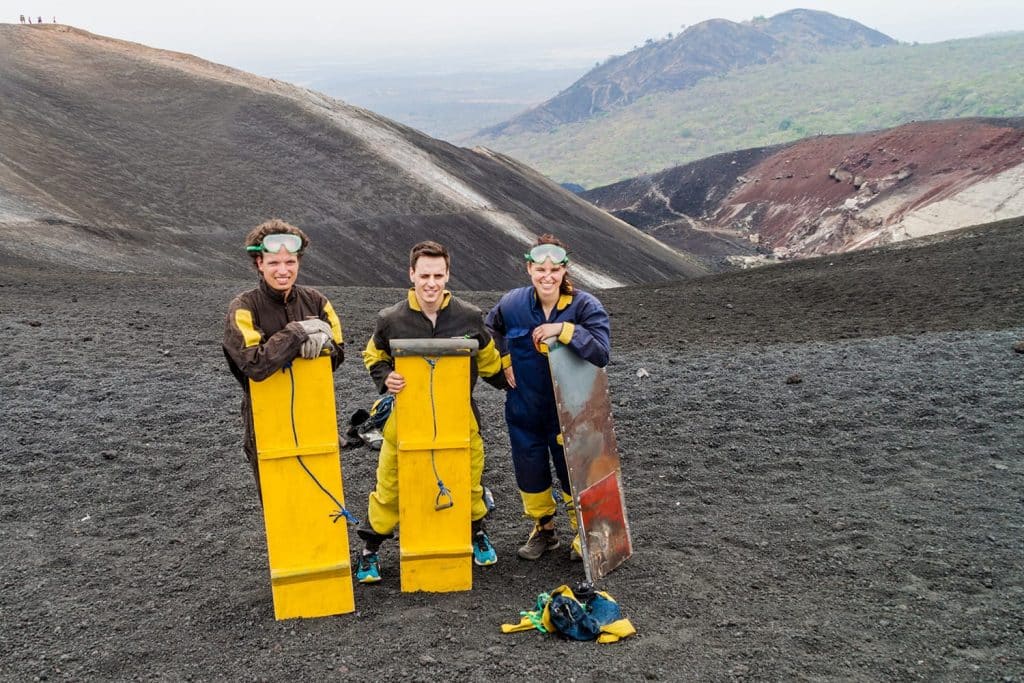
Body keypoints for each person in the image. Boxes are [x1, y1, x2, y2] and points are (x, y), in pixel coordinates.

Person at [355, 240, 505, 583]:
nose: (431, 283)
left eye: (439, 275)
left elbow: (488, 358)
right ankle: (370, 551)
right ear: (412, 275)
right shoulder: (390, 320)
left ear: (448, 275)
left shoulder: (469, 317)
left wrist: (509, 379)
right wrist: (385, 377)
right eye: (425, 275)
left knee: (468, 479)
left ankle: (475, 532)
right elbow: (372, 356)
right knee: (390, 485)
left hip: (460, 417)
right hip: (406, 419)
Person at [485, 235, 611, 561]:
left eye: (555, 269)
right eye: (540, 269)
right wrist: (503, 361)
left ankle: (584, 534)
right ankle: (544, 530)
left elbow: (600, 351)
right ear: (529, 268)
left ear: (565, 270)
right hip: (525, 411)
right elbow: (488, 331)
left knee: (575, 472)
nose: (547, 276)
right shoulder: (512, 304)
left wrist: (564, 330)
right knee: (530, 474)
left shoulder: (585, 307)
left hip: (571, 413)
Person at [222, 219, 344, 501]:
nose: (283, 271)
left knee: (320, 497)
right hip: (266, 420)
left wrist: (326, 345)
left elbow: (339, 354)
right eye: (274, 263)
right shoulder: (243, 308)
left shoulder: (317, 301)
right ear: (259, 263)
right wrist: (298, 333)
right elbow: (254, 365)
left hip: (316, 413)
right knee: (280, 502)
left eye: (290, 262)